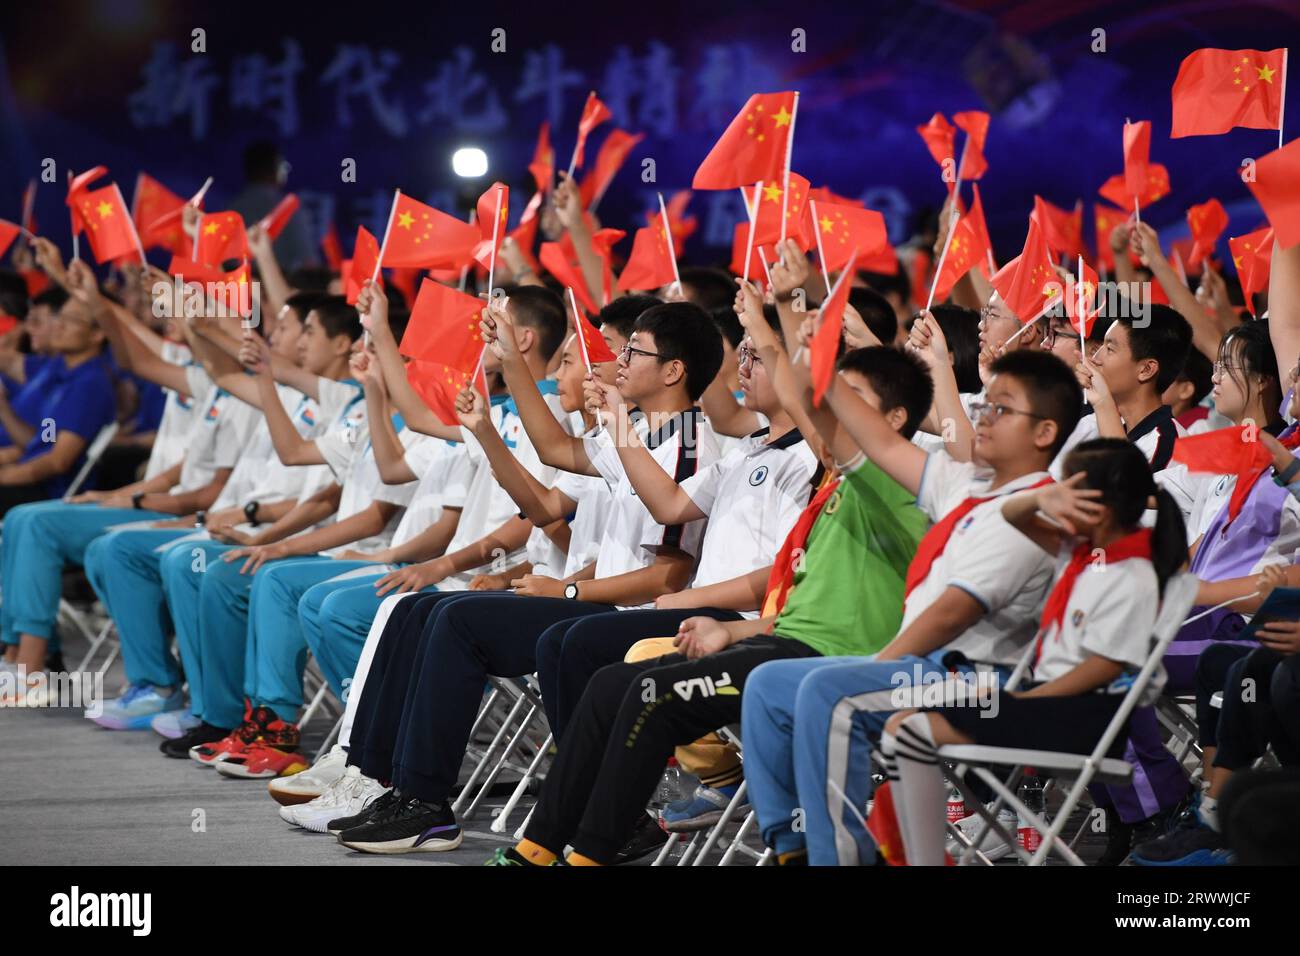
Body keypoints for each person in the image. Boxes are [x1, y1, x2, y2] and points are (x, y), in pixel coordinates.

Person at [488, 343, 935, 866]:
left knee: (648, 692)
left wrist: (776, 329)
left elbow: (799, 404)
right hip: (779, 641)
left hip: (832, 664)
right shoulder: (831, 489)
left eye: (850, 396)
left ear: (896, 418)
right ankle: (538, 847)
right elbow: (795, 612)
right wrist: (731, 634)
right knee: (611, 684)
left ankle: (590, 854)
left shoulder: (894, 485)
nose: (831, 407)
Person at [327, 300, 724, 854]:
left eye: (633, 350)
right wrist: (508, 365)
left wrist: (566, 588)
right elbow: (555, 451)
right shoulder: (637, 429)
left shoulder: (689, 441)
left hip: (626, 614)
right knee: (431, 610)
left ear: (674, 370)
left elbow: (669, 576)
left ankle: (427, 802)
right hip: (593, 598)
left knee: (459, 619)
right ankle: (384, 779)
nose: (619, 358)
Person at [880, 438, 1187, 865]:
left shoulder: (1131, 572)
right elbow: (1011, 514)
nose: (1055, 501)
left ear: (1095, 506)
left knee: (908, 729)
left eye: (1067, 491)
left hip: (1082, 720)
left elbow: (1107, 665)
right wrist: (1042, 496)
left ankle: (920, 857)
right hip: (1050, 706)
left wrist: (1027, 699)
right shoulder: (1084, 556)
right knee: (902, 718)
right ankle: (918, 853)